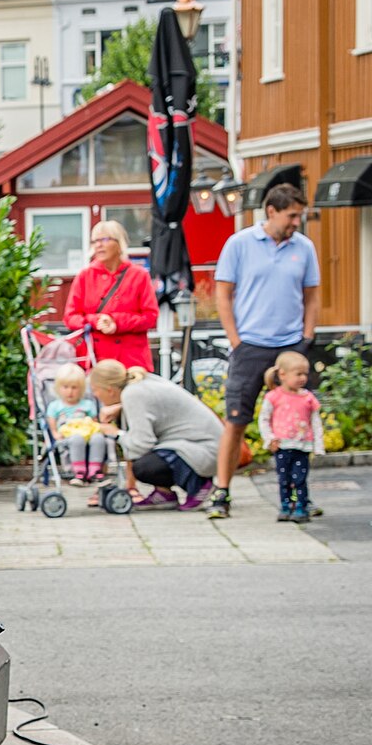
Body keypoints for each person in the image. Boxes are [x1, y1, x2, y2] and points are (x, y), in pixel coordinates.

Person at [207, 185, 320, 520]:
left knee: (299, 422)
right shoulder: (239, 244)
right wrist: (236, 340)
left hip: (291, 347)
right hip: (251, 345)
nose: (297, 222)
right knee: (235, 421)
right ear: (271, 211)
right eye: (292, 215)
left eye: (300, 215)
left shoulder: (305, 247)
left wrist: (307, 337)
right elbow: (223, 294)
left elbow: (311, 295)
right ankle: (222, 491)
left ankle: (301, 498)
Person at [89, 358, 220, 509]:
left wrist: (116, 433)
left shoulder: (133, 394)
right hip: (210, 445)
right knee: (152, 457)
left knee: (144, 467)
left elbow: (141, 444)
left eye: (95, 390)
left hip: (205, 450)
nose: (95, 395)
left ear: (109, 390)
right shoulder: (139, 385)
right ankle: (164, 493)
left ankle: (200, 487)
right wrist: (120, 408)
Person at [62, 220, 157, 372]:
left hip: (130, 361)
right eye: (95, 241)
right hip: (95, 361)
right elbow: (70, 317)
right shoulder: (84, 276)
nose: (98, 245)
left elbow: (150, 317)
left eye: (105, 239)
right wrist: (96, 321)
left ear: (119, 243)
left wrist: (116, 322)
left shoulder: (138, 276)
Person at [257, 349, 325, 523]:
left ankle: (301, 506)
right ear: (283, 374)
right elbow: (264, 419)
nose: (303, 378)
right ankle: (286, 506)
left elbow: (315, 422)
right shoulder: (273, 397)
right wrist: (269, 438)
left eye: (305, 374)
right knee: (284, 479)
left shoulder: (308, 398)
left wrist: (318, 445)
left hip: (302, 446)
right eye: (298, 374)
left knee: (300, 479)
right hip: (282, 445)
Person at [47, 362, 108, 482]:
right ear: (58, 388)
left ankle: (95, 468)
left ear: (81, 389)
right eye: (66, 387)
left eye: (74, 388)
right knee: (77, 439)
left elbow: (94, 423)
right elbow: (52, 421)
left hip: (87, 432)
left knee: (99, 438)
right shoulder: (55, 406)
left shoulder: (87, 405)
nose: (70, 391)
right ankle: (78, 470)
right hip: (68, 435)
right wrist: (54, 433)